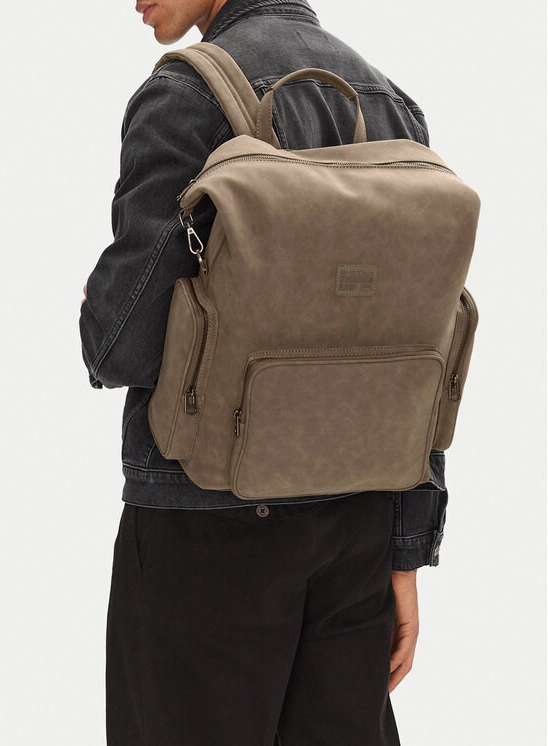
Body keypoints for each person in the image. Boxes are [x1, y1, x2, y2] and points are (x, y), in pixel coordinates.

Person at [79, 0, 448, 743]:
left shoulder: (186, 96)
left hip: (206, 529)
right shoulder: (389, 103)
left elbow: (121, 347)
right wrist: (404, 551)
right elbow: (418, 349)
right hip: (357, 531)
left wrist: (97, 306)